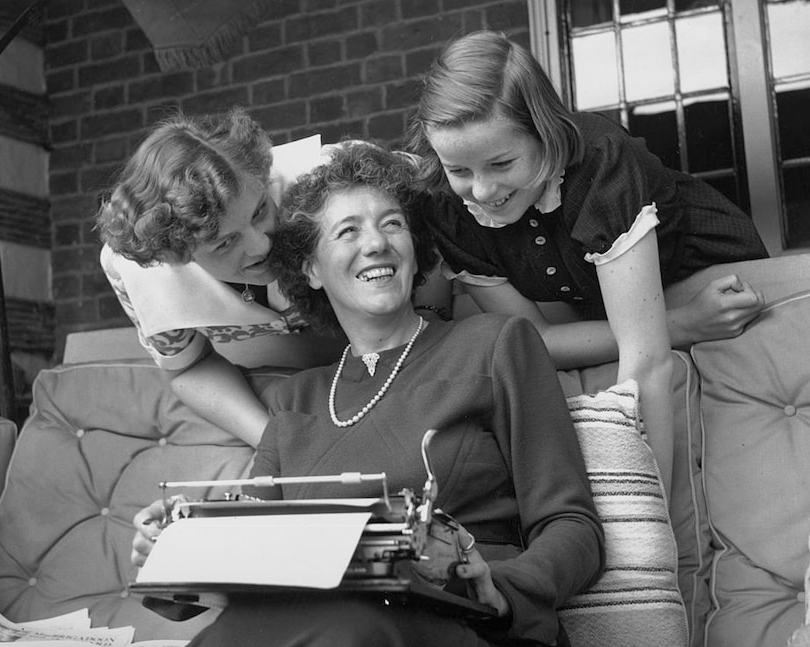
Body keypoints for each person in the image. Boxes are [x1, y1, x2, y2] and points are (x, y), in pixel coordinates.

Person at [131, 142, 605, 647]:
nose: (376, 243)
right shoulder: (297, 402)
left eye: (392, 224)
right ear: (310, 270)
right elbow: (253, 552)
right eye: (348, 230)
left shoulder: (494, 344)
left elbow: (572, 525)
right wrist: (172, 549)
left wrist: (503, 588)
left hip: (457, 621)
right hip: (318, 624)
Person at [406, 29, 770, 494]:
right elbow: (536, 340)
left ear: (545, 132)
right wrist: (686, 323)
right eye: (460, 170)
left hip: (723, 286)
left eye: (501, 164)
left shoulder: (599, 162)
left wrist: (642, 525)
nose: (482, 191)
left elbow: (645, 362)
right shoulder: (446, 205)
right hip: (661, 317)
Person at [95, 108, 345, 446]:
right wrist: (274, 442)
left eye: (259, 211)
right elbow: (188, 365)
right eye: (225, 242)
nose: (262, 244)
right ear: (176, 254)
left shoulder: (324, 179)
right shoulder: (137, 271)